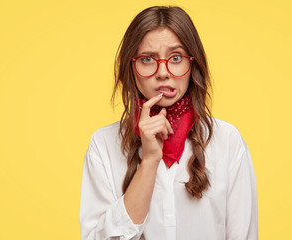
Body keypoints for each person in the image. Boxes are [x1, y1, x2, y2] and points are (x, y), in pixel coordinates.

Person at [79, 6, 258, 240]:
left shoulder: (227, 140)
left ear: (192, 64)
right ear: (131, 68)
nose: (163, 72)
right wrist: (150, 161)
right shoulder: (103, 144)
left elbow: (243, 235)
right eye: (147, 59)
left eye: (176, 58)